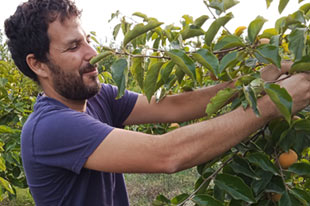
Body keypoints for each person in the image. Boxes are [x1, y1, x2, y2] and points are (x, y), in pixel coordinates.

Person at [4, 0, 310, 205]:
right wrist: (271, 105)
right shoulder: (50, 128)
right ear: (39, 65)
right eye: (73, 46)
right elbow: (168, 154)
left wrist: (258, 79)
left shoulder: (98, 98)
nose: (92, 52)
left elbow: (175, 106)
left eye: (86, 39)